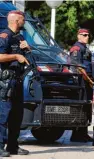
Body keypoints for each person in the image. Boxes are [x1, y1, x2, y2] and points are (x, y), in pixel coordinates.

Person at [0, 10, 30, 157]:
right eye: (23, 19)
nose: (24, 22)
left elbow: (27, 59)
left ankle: (13, 146)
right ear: (16, 20)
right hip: (5, 82)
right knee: (3, 115)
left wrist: (27, 50)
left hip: (18, 81)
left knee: (17, 116)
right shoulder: (4, 36)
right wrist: (15, 55)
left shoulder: (20, 37)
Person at [69, 28, 94, 142]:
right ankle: (76, 134)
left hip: (86, 82)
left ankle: (83, 133)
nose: (87, 37)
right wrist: (89, 80)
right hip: (81, 82)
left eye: (88, 35)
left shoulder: (84, 48)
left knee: (86, 107)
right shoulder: (76, 48)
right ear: (78, 36)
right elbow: (78, 67)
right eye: (84, 35)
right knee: (80, 107)